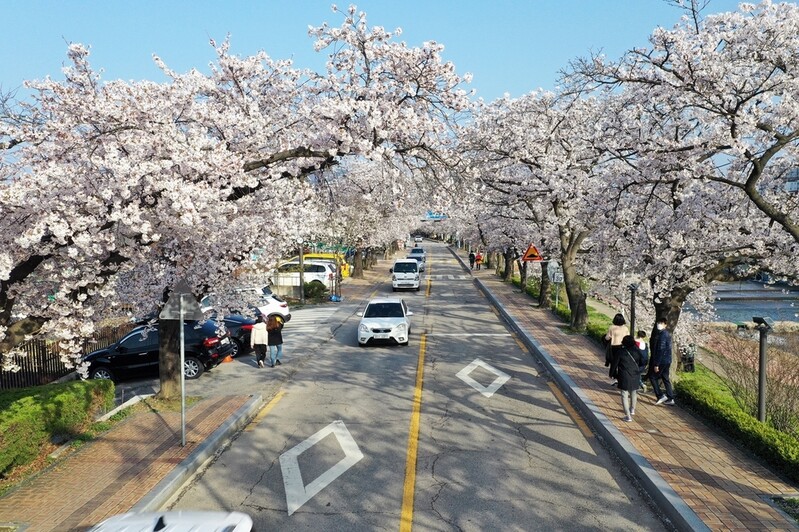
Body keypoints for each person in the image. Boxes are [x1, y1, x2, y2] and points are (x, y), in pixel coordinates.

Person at [616, 335, 644, 422]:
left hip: (624, 375)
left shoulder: (621, 352)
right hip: (635, 374)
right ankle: (632, 409)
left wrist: (613, 373)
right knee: (633, 392)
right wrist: (639, 370)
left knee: (624, 394)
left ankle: (627, 416)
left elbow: (615, 363)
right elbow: (643, 361)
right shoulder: (637, 351)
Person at [650, 317, 675, 405]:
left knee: (653, 377)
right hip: (667, 360)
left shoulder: (662, 335)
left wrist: (656, 364)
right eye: (658, 323)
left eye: (661, 323)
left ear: (665, 325)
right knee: (665, 378)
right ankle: (670, 398)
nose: (659, 324)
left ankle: (660, 395)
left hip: (662, 360)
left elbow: (661, 349)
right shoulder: (666, 334)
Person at [604, 313, 627, 386]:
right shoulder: (625, 328)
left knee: (613, 363)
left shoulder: (612, 327)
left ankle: (615, 377)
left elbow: (607, 337)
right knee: (620, 363)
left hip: (614, 347)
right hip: (622, 347)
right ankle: (620, 378)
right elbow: (628, 337)